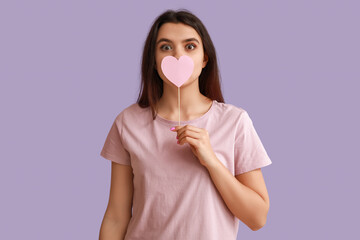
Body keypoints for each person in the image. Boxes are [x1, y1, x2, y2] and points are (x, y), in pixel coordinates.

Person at [99, 9, 272, 240]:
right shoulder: (127, 123)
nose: (178, 55)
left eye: (189, 46)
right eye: (166, 47)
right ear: (154, 60)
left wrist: (211, 161)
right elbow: (116, 217)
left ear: (204, 58)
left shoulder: (235, 122)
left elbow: (257, 218)